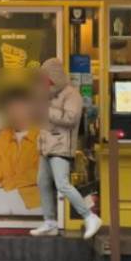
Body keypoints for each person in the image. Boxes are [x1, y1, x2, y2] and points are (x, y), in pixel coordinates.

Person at [30, 58, 102, 239]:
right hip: (46, 146)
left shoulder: (72, 94)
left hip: (61, 146)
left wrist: (46, 110)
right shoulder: (47, 94)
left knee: (62, 184)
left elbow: (71, 118)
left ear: (55, 77)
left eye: (47, 78)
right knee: (43, 182)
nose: (45, 82)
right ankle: (50, 222)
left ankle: (90, 216)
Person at [0, 85, 42, 216]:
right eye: (12, 109)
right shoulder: (3, 137)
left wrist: (6, 184)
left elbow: (37, 175)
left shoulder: (42, 137)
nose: (16, 114)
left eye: (20, 108)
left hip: (34, 199)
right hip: (6, 195)